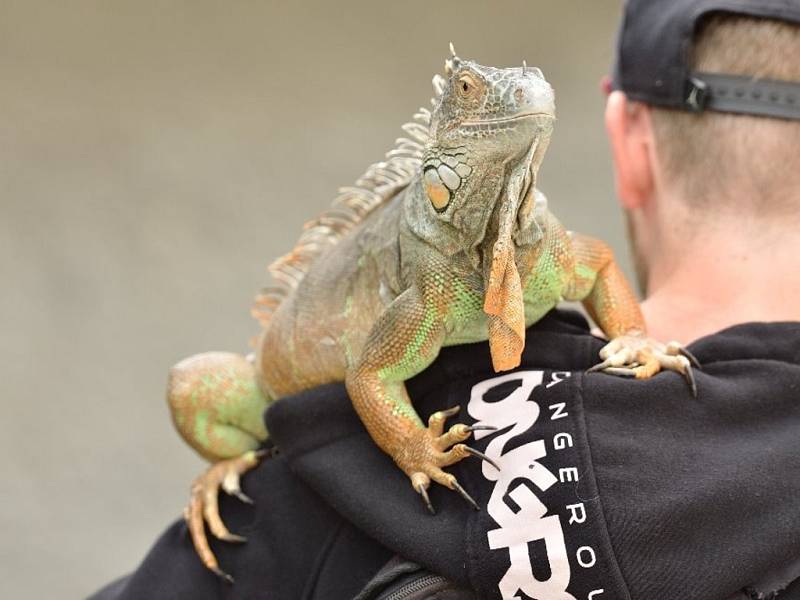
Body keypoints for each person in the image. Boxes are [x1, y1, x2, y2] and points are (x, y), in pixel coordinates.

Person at [91, 0, 800, 598]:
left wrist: (636, 337)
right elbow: (376, 371)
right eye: (468, 95)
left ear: (627, 142)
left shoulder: (302, 510)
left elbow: (591, 266)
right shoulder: (434, 278)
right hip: (288, 398)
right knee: (198, 386)